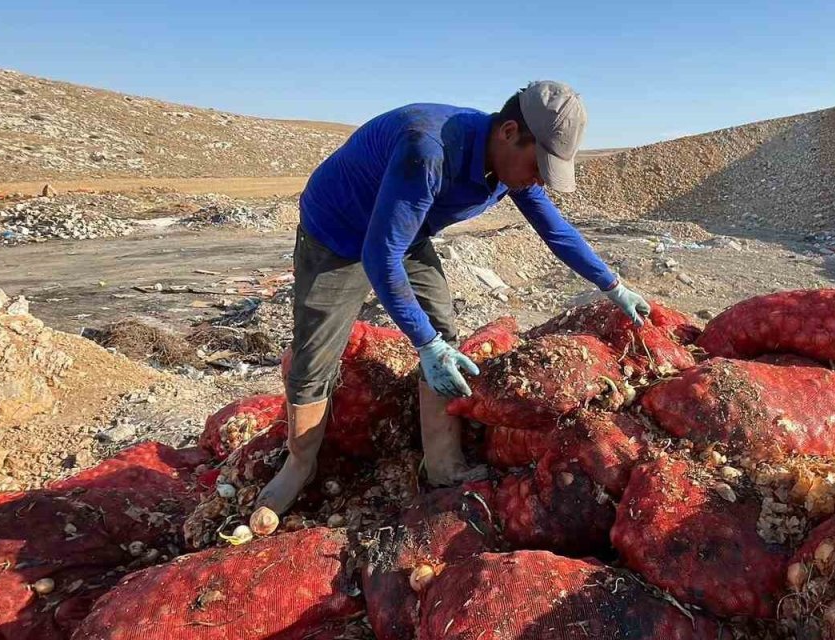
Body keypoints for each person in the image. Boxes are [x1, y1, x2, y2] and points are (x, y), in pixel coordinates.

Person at [250, 81, 651, 533]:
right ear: (509, 132)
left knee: (443, 328)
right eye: (538, 166)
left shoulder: (508, 168)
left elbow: (555, 231)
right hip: (338, 234)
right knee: (316, 354)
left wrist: (613, 285)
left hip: (405, 230)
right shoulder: (430, 150)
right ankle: (300, 463)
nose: (539, 179)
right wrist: (424, 343)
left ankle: (442, 462)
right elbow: (379, 257)